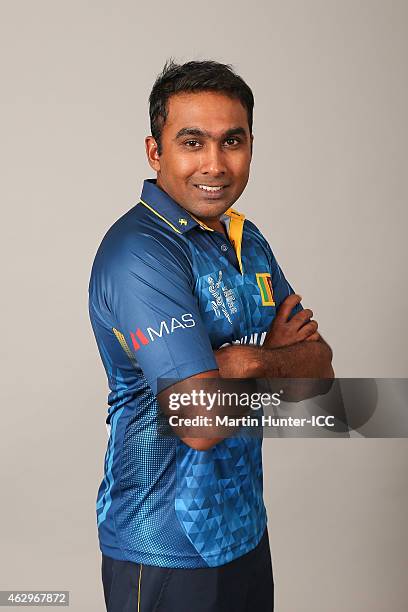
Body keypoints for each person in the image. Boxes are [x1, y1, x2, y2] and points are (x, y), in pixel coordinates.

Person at [88, 59, 334, 612]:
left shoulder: (248, 240)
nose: (215, 164)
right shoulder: (140, 252)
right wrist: (272, 360)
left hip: (244, 532)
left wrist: (246, 363)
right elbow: (199, 422)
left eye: (232, 141)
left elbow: (318, 375)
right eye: (192, 142)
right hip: (163, 547)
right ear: (156, 152)